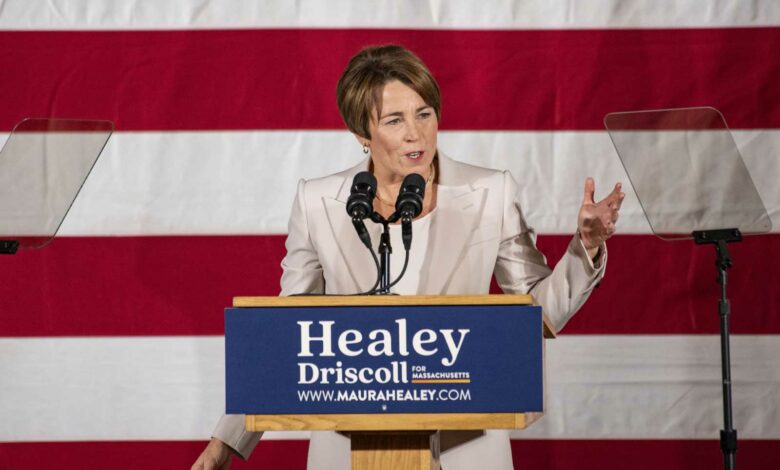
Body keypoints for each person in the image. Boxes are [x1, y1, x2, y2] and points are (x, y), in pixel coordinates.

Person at [192, 44, 623, 470]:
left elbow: (536, 312)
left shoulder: (491, 193)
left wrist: (584, 246)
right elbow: (287, 336)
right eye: (395, 120)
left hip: (467, 447)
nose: (416, 133)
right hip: (348, 447)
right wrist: (225, 443)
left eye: (424, 113)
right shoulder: (319, 201)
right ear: (363, 133)